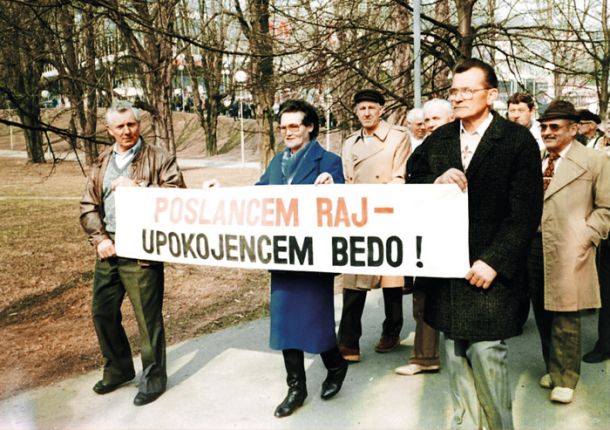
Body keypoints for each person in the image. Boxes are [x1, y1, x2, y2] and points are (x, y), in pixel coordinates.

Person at [408, 59, 543, 429]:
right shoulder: (439, 139)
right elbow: (413, 182)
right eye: (454, 91)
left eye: (468, 90)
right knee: (454, 356)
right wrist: (434, 180)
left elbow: (526, 212)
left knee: (487, 356)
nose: (458, 97)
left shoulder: (517, 142)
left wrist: (494, 261)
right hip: (446, 271)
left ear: (491, 95)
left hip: (489, 275)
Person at [79, 100, 186, 406]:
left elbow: (178, 196)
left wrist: (138, 187)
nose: (127, 131)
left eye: (132, 124)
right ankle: (119, 369)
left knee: (147, 318)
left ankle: (153, 380)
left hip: (142, 246)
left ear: (139, 125)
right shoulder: (101, 161)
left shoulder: (159, 157)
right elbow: (88, 206)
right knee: (102, 311)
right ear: (109, 129)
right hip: (109, 246)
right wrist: (99, 238)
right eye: (120, 126)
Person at [256, 99, 347, 418]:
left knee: (315, 319)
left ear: (309, 126)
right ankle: (296, 386)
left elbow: (345, 203)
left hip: (314, 257)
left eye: (294, 125)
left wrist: (332, 187)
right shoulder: (275, 163)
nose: (287, 132)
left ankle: (335, 366)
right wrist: (221, 196)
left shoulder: (329, 161)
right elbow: (256, 197)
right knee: (283, 323)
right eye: (283, 127)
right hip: (283, 255)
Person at [527, 100, 610, 404]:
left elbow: (606, 207)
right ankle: (553, 366)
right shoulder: (537, 157)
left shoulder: (595, 161)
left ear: (574, 129)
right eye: (544, 127)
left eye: (554, 127)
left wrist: (586, 236)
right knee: (543, 311)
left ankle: (567, 377)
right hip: (536, 244)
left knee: (566, 313)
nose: (547, 132)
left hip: (571, 245)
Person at [338, 89, 411, 363]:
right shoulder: (349, 142)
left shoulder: (398, 137)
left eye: (371, 107)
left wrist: (381, 205)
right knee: (354, 281)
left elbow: (400, 176)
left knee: (391, 280)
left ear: (381, 109)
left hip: (388, 214)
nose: (366, 113)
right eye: (361, 108)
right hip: (358, 217)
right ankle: (347, 341)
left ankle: (392, 330)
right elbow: (347, 179)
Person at [395, 98, 453, 376]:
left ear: (451, 119)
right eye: (427, 120)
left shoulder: (463, 146)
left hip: (456, 234)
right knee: (424, 296)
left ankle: (452, 357)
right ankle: (425, 357)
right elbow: (413, 184)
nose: (430, 125)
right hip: (428, 232)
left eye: (436, 119)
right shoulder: (424, 147)